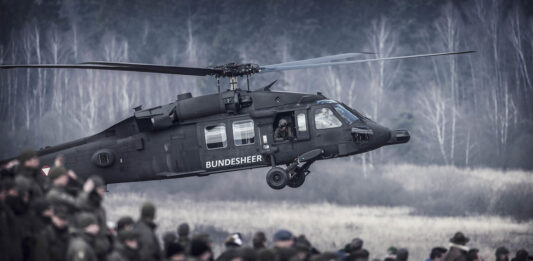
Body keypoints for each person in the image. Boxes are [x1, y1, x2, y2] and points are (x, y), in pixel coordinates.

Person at [77, 175, 111, 260]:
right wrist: (85, 191)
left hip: (102, 250)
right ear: (94, 190)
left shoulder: (100, 208)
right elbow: (78, 205)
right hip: (91, 251)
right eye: (100, 189)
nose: (103, 191)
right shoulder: (86, 206)